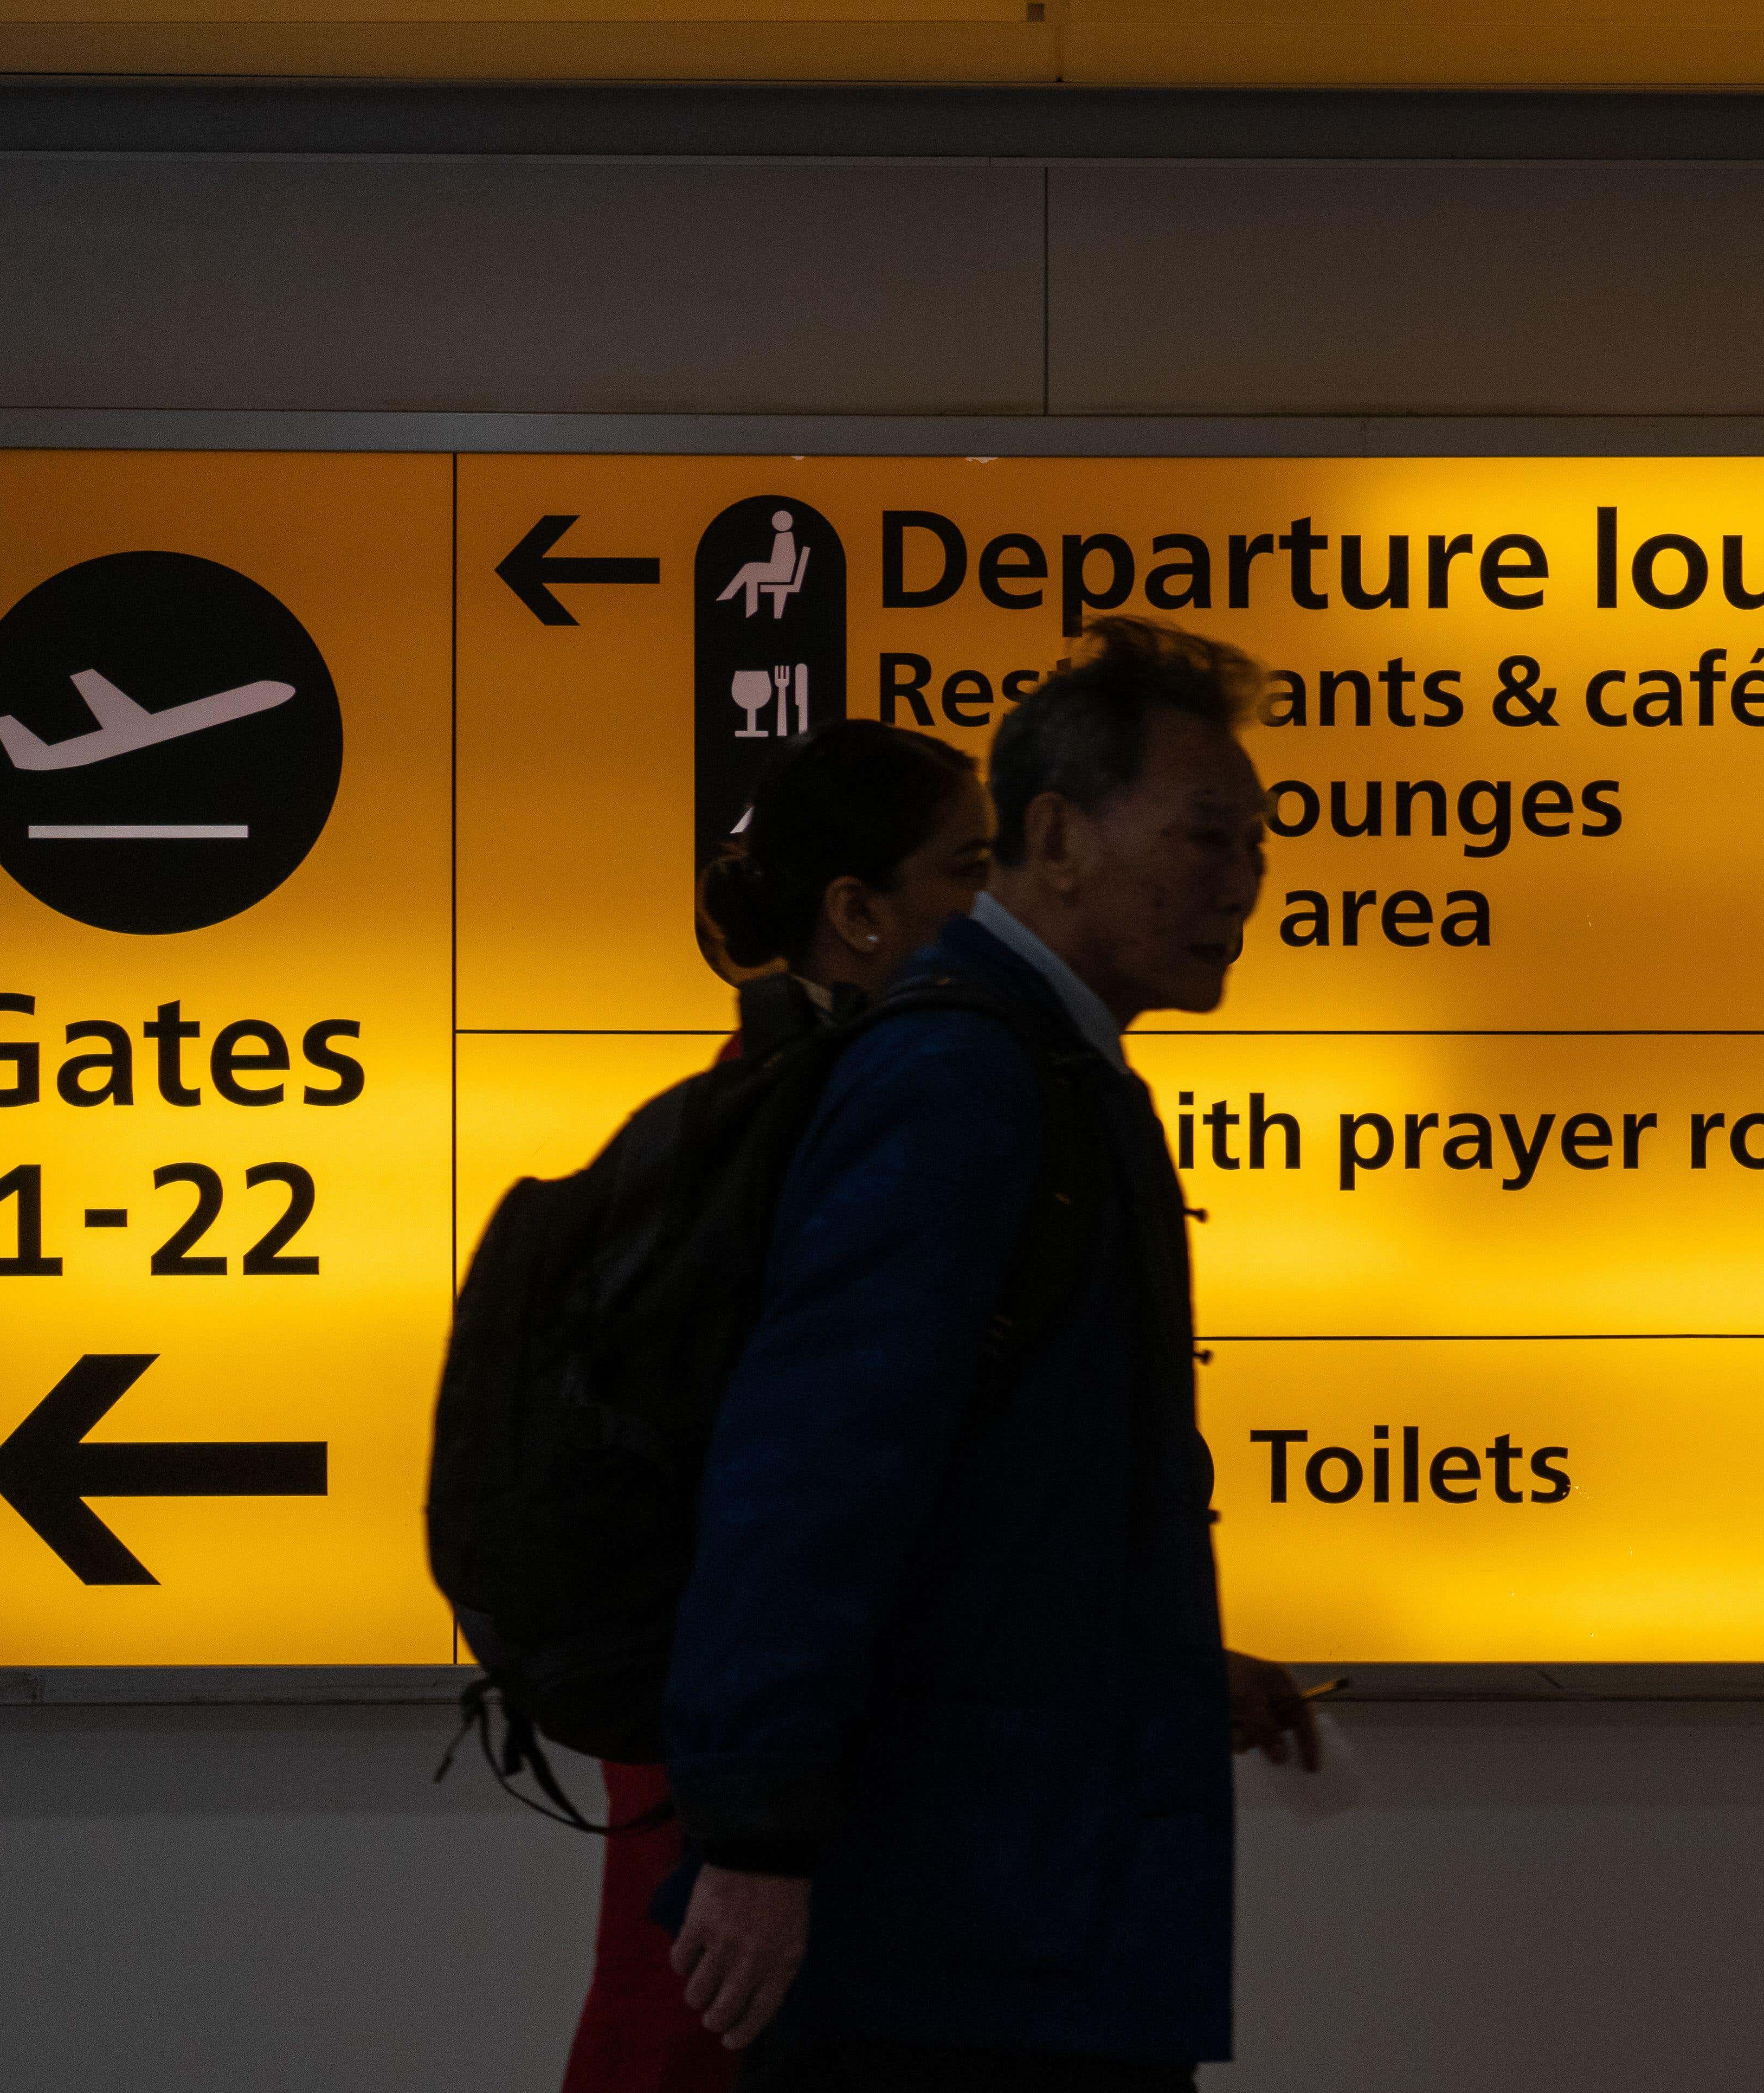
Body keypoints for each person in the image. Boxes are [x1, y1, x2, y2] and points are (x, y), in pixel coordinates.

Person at [662, 618, 1321, 2092]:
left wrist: (1156, 1662)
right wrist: (759, 1835)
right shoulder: (960, 1078)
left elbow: (999, 1493)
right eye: (1207, 834)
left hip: (1028, 1916)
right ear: (1055, 835)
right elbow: (812, 1464)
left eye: (1258, 839)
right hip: (951, 1942)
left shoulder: (1049, 1070)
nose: (1247, 879)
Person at [562, 719, 993, 2093]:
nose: (1001, 908)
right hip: (774, 1760)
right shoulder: (848, 1136)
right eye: (967, 870)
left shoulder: (753, 1114)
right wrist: (758, 1825)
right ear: (855, 914)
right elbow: (811, 1486)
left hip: (733, 1743)